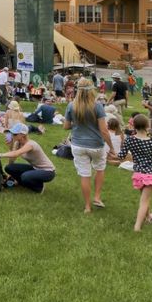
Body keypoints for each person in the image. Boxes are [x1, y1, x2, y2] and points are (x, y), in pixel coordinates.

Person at [63, 81, 114, 212]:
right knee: (100, 169)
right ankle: (97, 197)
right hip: (96, 145)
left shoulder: (71, 105)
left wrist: (77, 123)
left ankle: (87, 206)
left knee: (85, 175)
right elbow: (104, 130)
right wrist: (112, 147)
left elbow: (66, 126)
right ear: (91, 90)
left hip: (78, 145)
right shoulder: (97, 106)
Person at [117, 114, 152, 231]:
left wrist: (112, 155)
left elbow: (121, 156)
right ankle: (137, 227)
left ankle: (149, 216)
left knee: (144, 197)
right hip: (150, 174)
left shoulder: (130, 140)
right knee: (144, 201)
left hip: (138, 174)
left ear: (133, 125)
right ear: (147, 125)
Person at [0, 123, 55, 193]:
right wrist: (11, 147)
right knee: (8, 168)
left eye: (15, 134)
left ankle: (39, 187)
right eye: (12, 134)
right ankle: (22, 182)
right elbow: (13, 158)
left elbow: (16, 153)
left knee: (25, 176)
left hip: (48, 171)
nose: (12, 136)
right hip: (35, 168)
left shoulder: (31, 144)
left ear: (23, 135)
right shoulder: (17, 143)